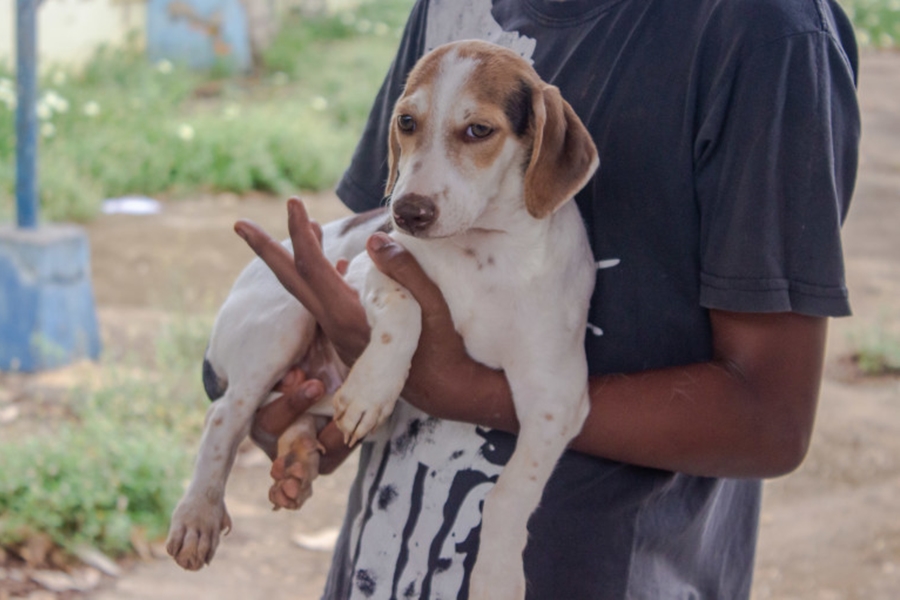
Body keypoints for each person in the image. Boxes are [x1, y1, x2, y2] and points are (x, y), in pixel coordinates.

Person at [235, 0, 861, 597]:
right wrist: (327, 406)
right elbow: (404, 236)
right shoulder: (448, 12)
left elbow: (769, 420)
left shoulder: (767, 33)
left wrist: (453, 387)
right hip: (385, 567)